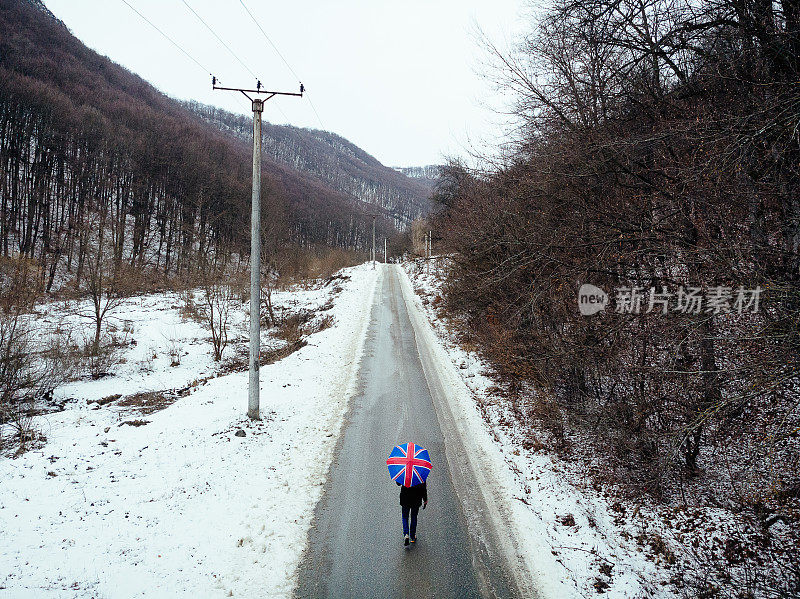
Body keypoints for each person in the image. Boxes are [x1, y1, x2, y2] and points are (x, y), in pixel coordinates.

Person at [398, 481, 427, 546]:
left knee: (405, 517)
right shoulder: (420, 473)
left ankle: (406, 534)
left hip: (405, 498)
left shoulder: (404, 472)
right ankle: (413, 536)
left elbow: (398, 483)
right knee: (414, 517)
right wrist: (425, 499)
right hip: (416, 499)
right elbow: (423, 488)